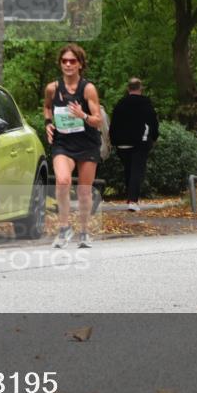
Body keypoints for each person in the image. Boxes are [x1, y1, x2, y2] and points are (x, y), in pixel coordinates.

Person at [44, 44, 103, 248]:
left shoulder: (88, 89)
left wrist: (83, 115)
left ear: (80, 64)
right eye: (64, 61)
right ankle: (63, 228)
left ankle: (84, 231)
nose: (68, 64)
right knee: (62, 180)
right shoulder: (52, 88)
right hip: (63, 143)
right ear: (60, 64)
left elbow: (98, 120)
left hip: (87, 143)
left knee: (84, 191)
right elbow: (46, 108)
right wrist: (47, 124)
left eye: (72, 61)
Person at [109, 77, 160, 211]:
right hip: (140, 141)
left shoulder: (120, 103)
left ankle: (130, 198)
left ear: (128, 89)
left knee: (128, 170)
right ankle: (133, 200)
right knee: (137, 170)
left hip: (122, 143)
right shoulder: (145, 103)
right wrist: (154, 137)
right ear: (141, 88)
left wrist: (113, 141)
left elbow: (113, 124)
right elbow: (153, 122)